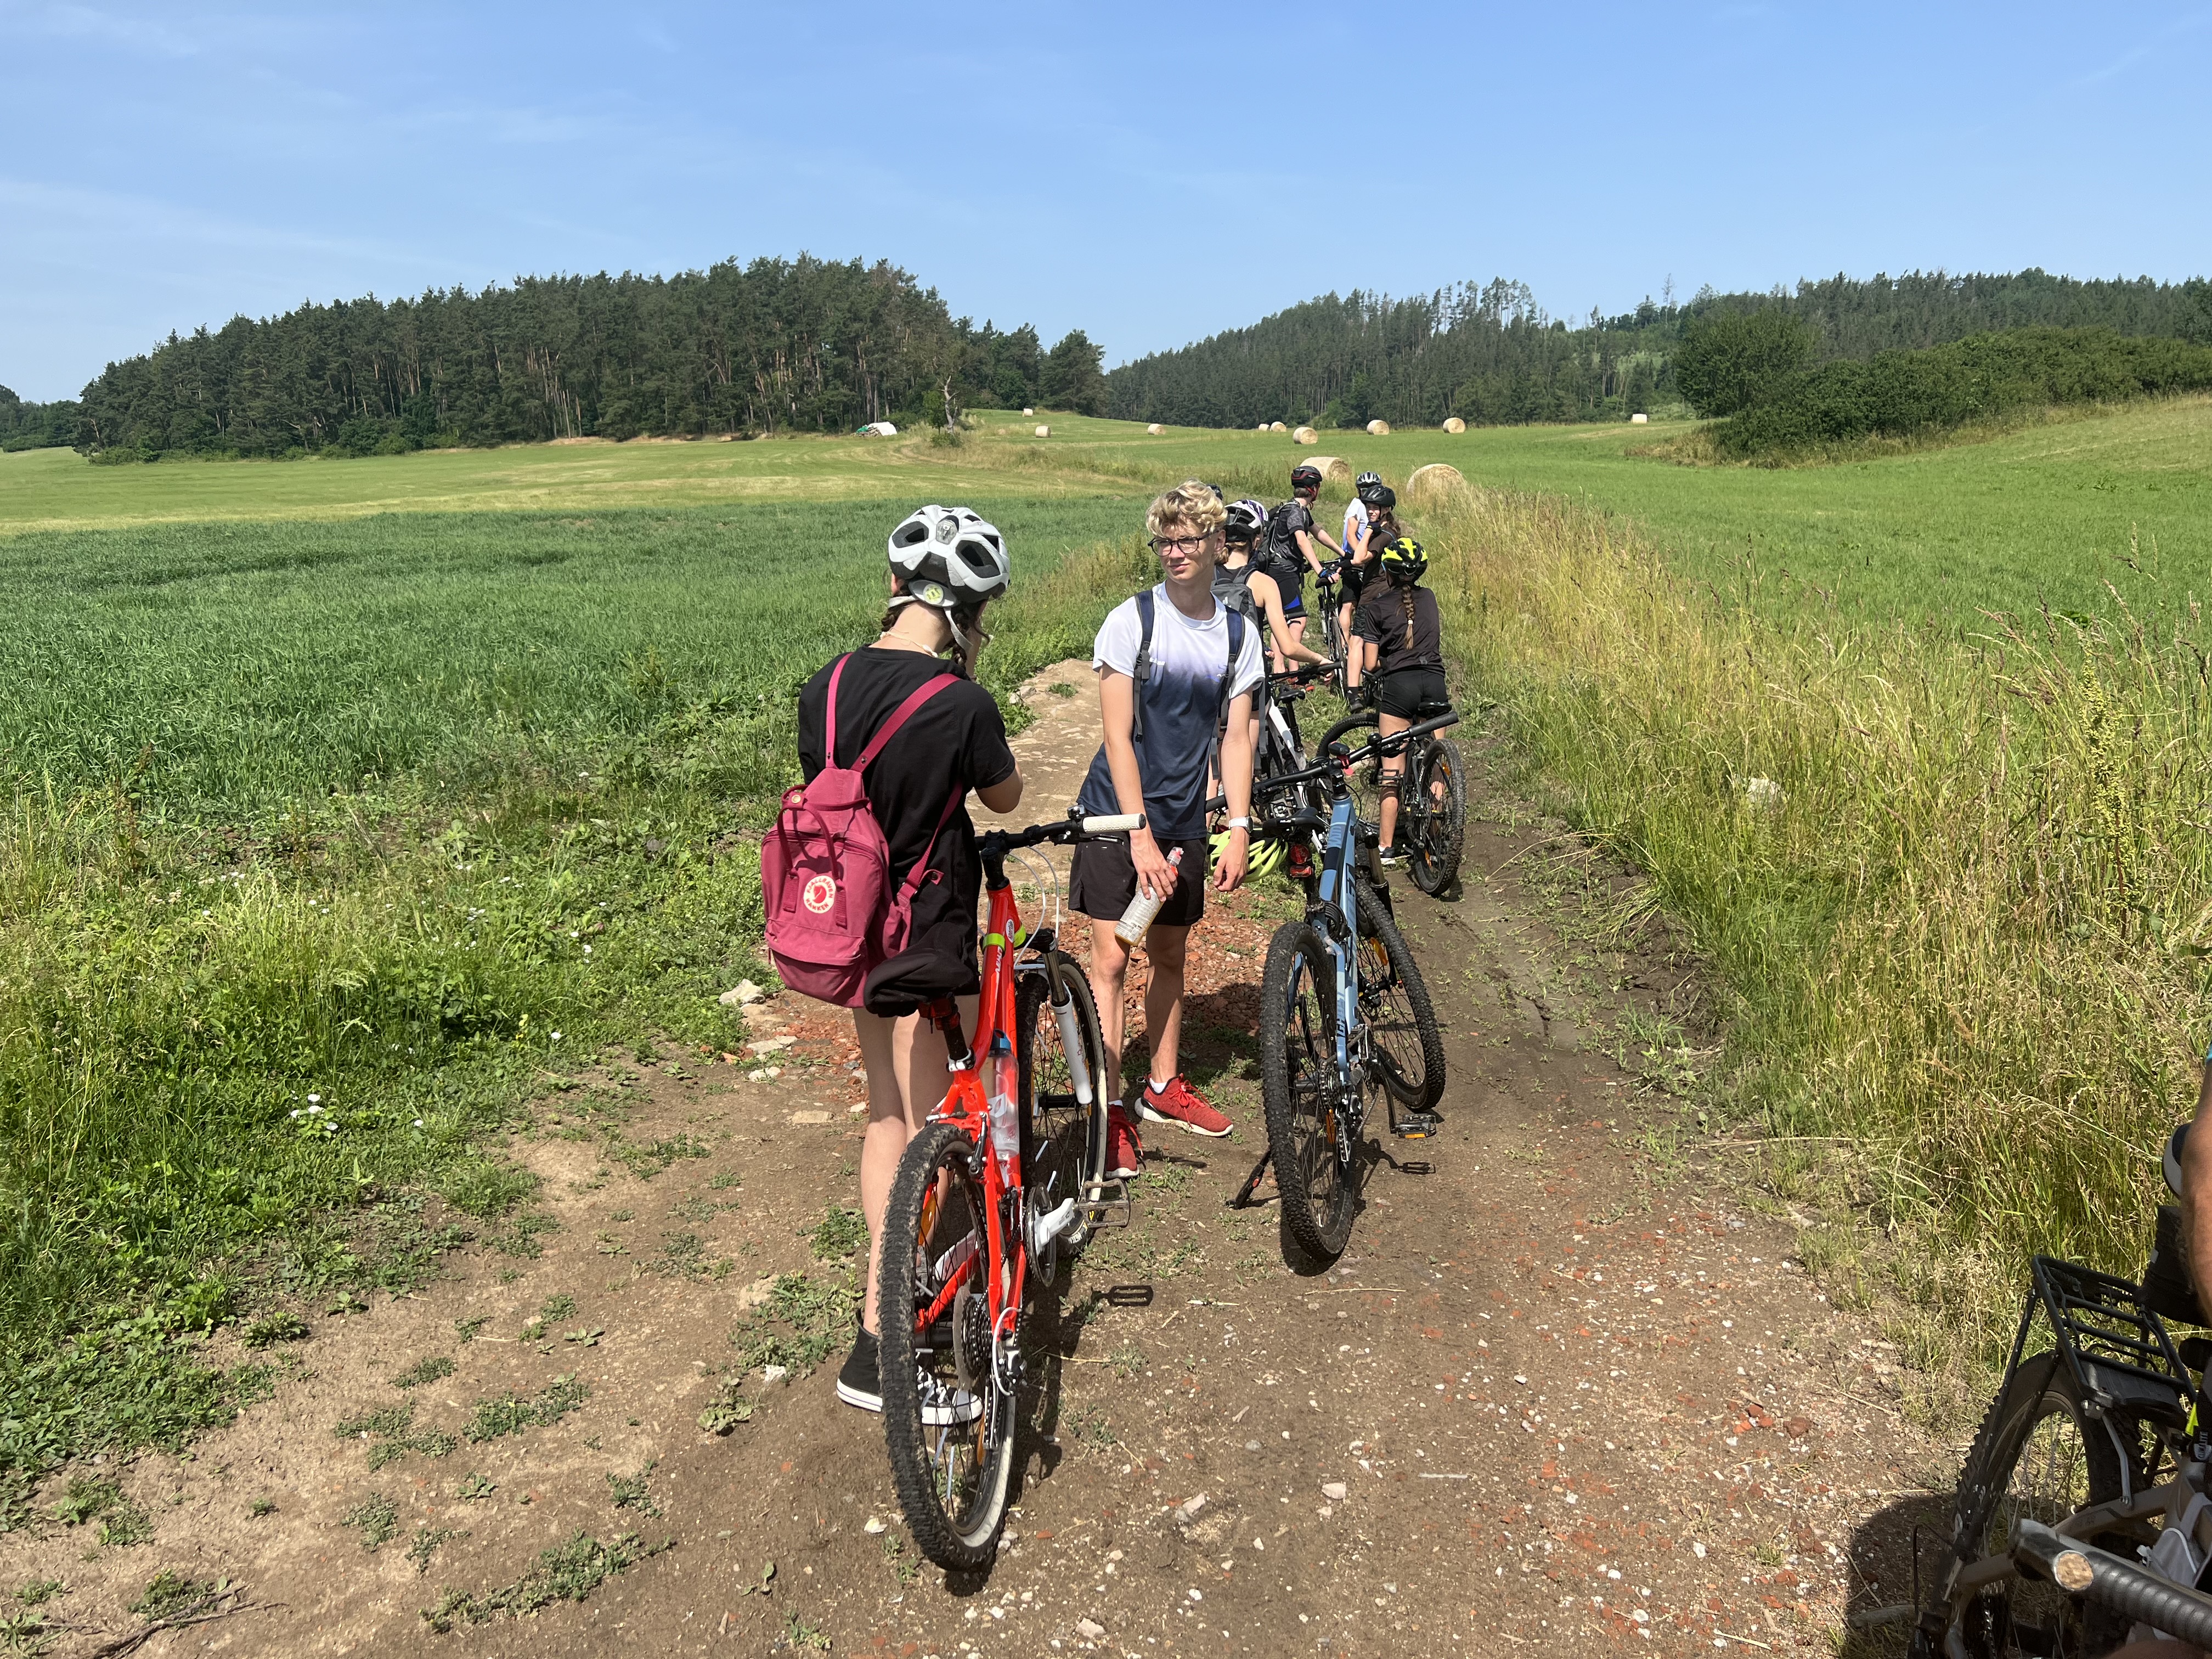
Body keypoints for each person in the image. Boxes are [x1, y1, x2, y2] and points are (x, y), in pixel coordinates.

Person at [793, 505, 1024, 1414]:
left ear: (894, 588)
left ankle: (882, 1310)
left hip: (846, 919)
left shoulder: (825, 684)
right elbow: (1004, 798)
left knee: (885, 1114)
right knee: (938, 1127)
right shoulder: (962, 702)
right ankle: (891, 1338)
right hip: (926, 925)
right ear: (970, 614)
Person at [1072, 482, 1263, 1177]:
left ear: (1217, 543)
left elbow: (1236, 737)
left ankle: (1161, 1086)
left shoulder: (1239, 635)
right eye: (1165, 541)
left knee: (1171, 955)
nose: (1175, 552)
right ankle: (1107, 1112)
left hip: (1184, 821)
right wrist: (1138, 835)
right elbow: (1118, 737)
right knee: (1112, 960)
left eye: (1188, 539)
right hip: (1116, 815)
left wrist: (1237, 826)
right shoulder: (1132, 621)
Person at [1352, 535, 1447, 867]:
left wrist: (1388, 662)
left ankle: (1387, 848)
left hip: (1399, 687)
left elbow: (1370, 664)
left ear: (1387, 573)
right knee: (1436, 764)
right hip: (1434, 683)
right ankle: (1437, 836)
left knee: (1392, 770)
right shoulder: (1430, 598)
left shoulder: (1377, 608)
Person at [1257, 464, 1341, 657]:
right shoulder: (1295, 511)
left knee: (1282, 620)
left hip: (1279, 569)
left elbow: (1318, 533)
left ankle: (1282, 669)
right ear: (1314, 488)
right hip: (1283, 571)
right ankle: (1292, 666)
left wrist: (1342, 553)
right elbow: (1302, 540)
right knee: (1298, 621)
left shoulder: (1297, 509)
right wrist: (1320, 570)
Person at [1340, 480, 1398, 707]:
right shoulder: (1391, 531)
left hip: (1374, 595)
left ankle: (1353, 692)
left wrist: (1368, 532)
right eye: (1368, 507)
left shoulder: (1383, 535)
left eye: (1376, 508)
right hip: (1388, 594)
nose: (1371, 511)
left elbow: (1358, 558)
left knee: (1357, 640)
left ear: (1387, 509)